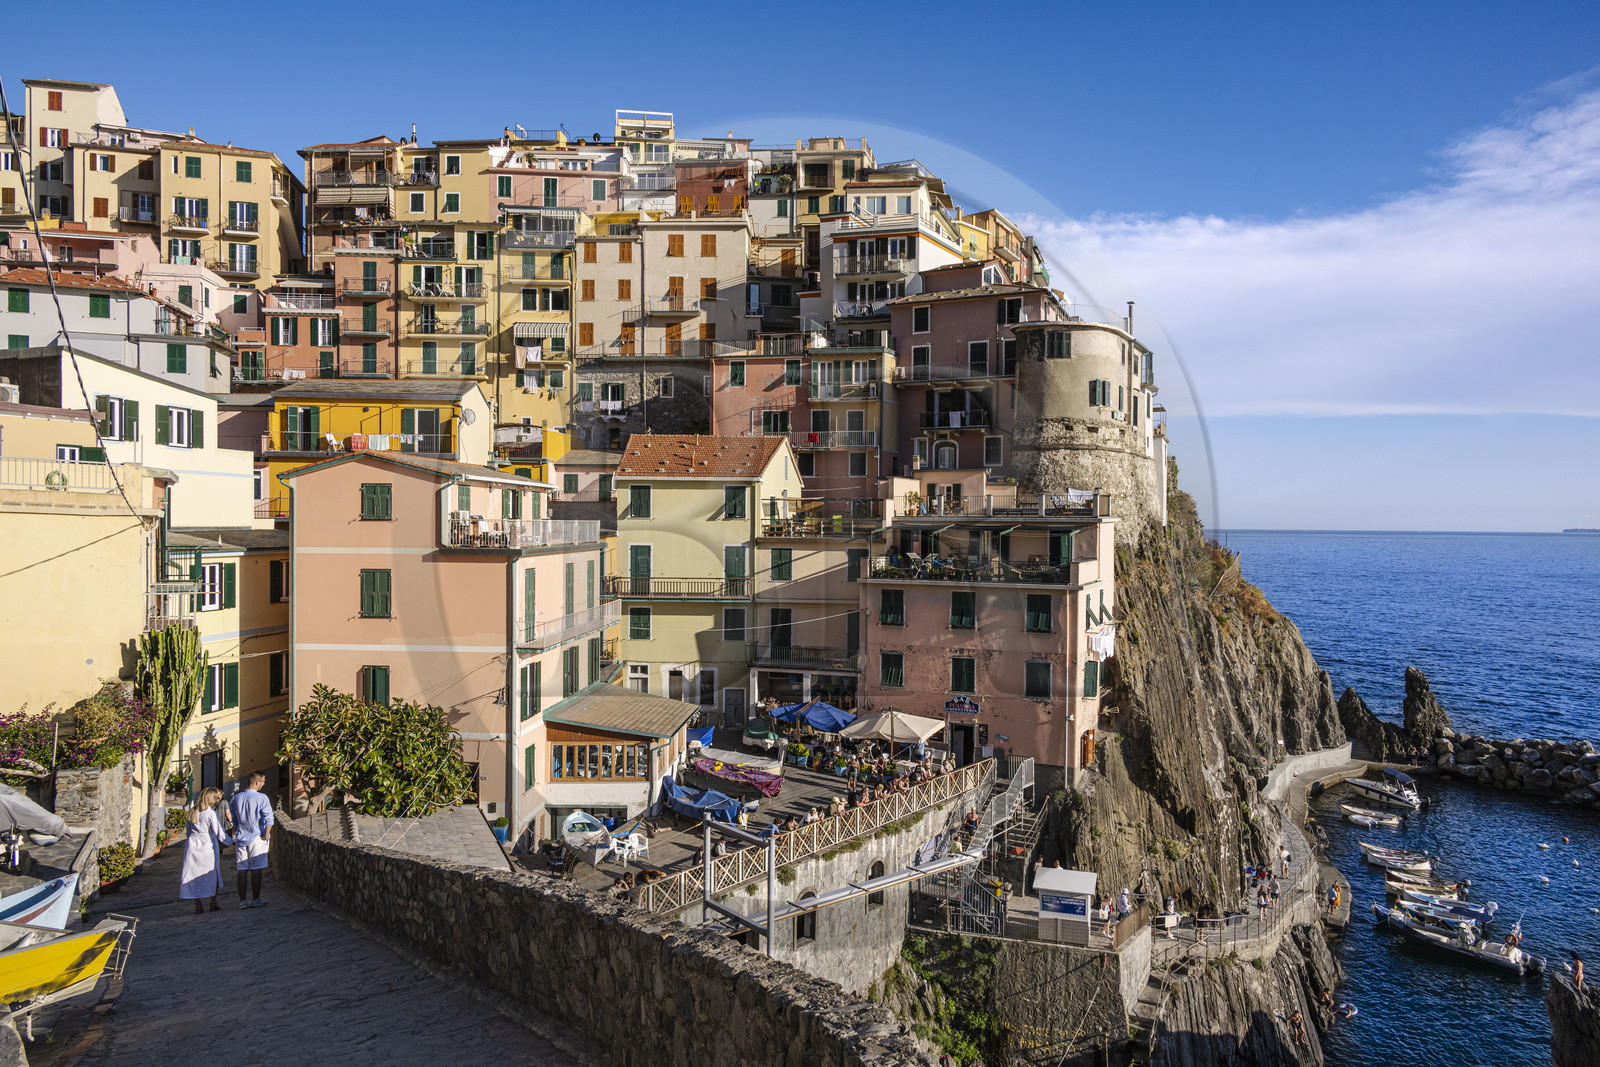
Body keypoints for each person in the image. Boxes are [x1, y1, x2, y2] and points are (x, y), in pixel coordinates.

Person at [179, 787, 232, 914]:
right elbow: (220, 833)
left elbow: (187, 832)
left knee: (194, 873)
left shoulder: (192, 811)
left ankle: (198, 905)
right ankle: (213, 902)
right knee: (212, 873)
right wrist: (232, 842)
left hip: (193, 845)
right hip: (207, 845)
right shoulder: (210, 813)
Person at [228, 771, 274, 909]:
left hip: (242, 837)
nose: (264, 784)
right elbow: (269, 818)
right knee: (256, 869)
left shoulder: (236, 798)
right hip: (257, 836)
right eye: (263, 781)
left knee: (241, 869)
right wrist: (266, 835)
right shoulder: (262, 798)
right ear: (256, 782)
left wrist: (238, 832)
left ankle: (242, 901)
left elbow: (233, 819)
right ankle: (256, 899)